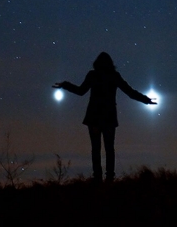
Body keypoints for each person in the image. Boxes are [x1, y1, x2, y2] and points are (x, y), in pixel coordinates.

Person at [53, 52, 156, 182]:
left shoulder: (93, 75)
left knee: (96, 148)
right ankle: (109, 178)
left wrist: (65, 85)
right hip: (108, 117)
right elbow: (129, 92)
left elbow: (80, 91)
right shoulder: (113, 76)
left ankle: (98, 177)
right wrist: (146, 100)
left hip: (94, 116)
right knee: (109, 148)